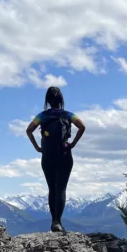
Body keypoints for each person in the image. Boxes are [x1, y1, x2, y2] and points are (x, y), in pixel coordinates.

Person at [26, 86, 85, 232]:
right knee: (61, 188)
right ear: (61, 99)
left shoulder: (42, 116)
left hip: (48, 155)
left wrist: (37, 147)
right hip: (64, 154)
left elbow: (29, 130)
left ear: (47, 100)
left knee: (52, 188)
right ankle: (59, 222)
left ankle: (53, 222)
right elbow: (82, 127)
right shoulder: (68, 114)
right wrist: (72, 144)